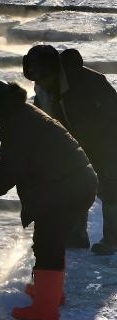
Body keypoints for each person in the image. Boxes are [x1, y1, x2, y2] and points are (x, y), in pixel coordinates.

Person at [0, 80, 97, 320]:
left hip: (65, 189)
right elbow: (16, 163)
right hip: (73, 184)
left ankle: (46, 309)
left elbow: (12, 169)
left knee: (48, 243)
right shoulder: (23, 114)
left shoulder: (16, 126)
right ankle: (50, 293)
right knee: (49, 241)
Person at [23, 44, 117, 255]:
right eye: (33, 75)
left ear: (52, 70)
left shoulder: (88, 82)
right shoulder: (43, 89)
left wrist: (86, 138)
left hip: (108, 141)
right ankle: (76, 237)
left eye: (40, 75)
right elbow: (42, 121)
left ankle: (112, 240)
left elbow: (111, 114)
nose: (37, 81)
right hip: (77, 144)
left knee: (110, 188)